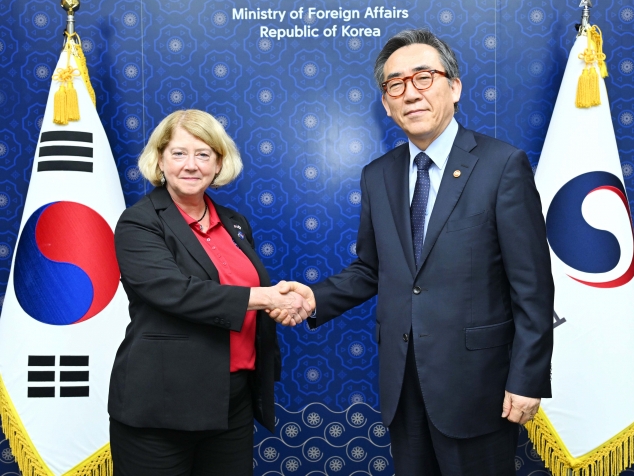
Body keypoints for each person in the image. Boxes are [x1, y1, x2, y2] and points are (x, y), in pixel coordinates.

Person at [278, 29, 554, 475]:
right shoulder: (377, 175)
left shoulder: (503, 165)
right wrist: (313, 298)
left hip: (480, 388)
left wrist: (527, 379)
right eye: (396, 84)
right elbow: (371, 269)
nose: (411, 93)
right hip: (403, 386)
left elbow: (533, 287)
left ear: (455, 87)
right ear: (386, 103)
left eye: (424, 77)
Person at [108, 109, 311, 476]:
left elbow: (244, 291)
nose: (191, 165)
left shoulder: (234, 222)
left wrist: (283, 303)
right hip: (161, 406)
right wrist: (267, 298)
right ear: (160, 160)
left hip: (231, 402)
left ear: (219, 163)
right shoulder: (139, 222)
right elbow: (176, 292)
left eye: (203, 154)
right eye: (179, 153)